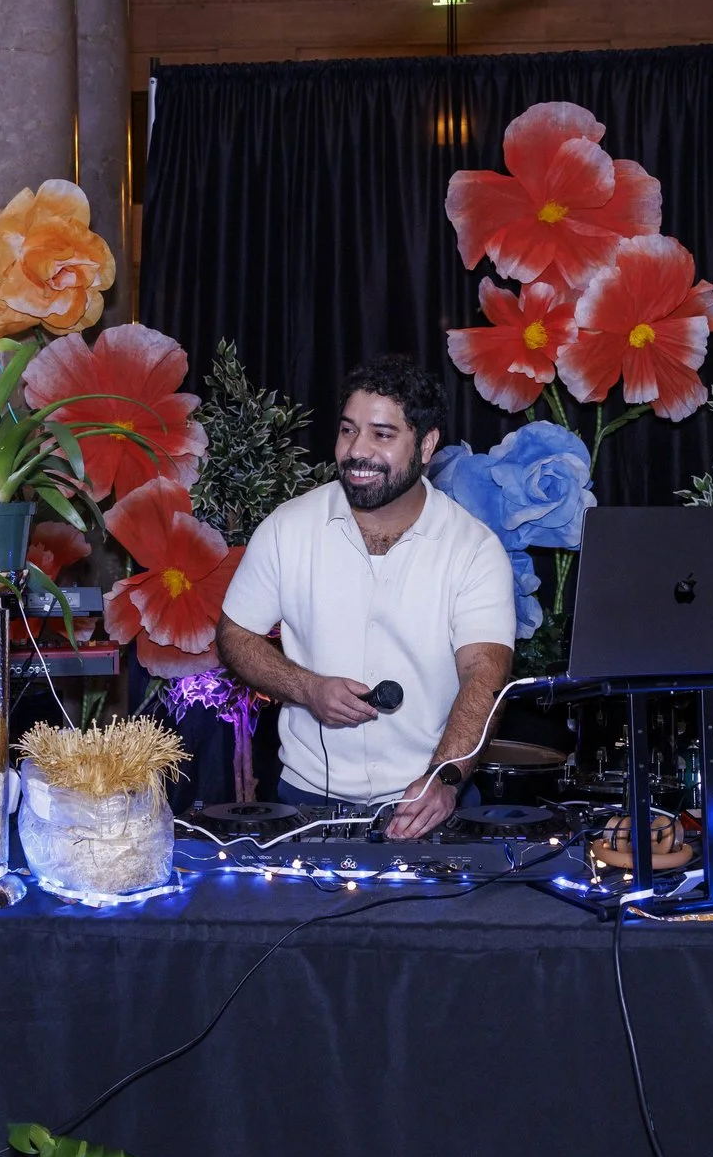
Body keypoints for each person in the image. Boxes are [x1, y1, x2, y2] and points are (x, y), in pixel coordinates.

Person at [216, 356, 516, 840]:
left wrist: (444, 779)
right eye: (348, 430)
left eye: (382, 435)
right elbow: (235, 635)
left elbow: (485, 675)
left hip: (429, 804)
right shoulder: (287, 528)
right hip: (304, 805)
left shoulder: (473, 549)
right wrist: (306, 687)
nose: (357, 451)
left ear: (427, 445)